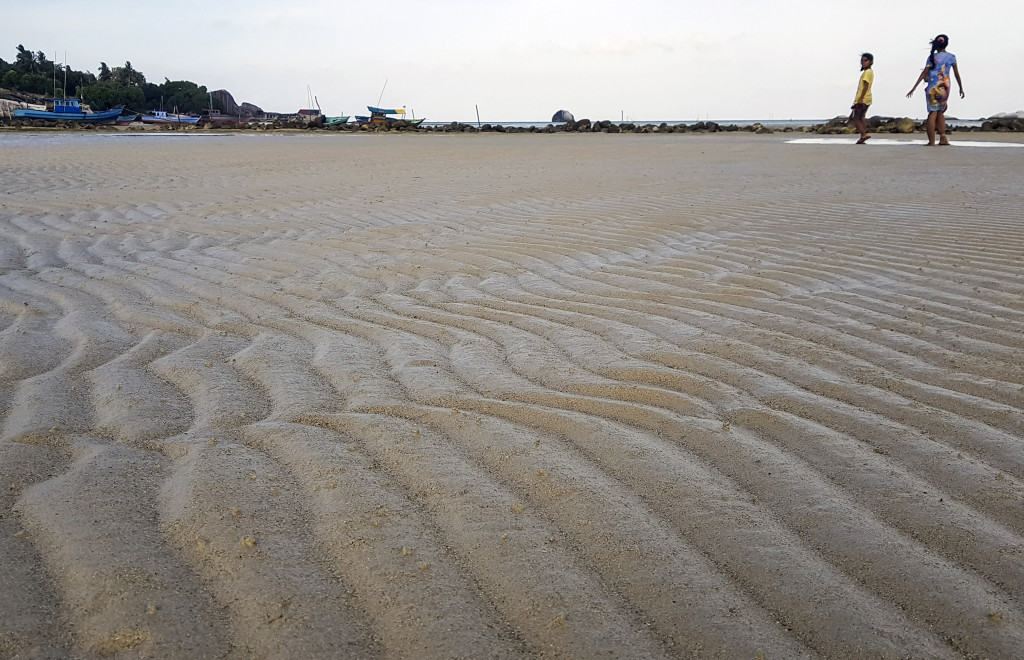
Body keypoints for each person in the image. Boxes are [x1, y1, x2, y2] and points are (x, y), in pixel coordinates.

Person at [907, 34, 964, 146]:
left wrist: (914, 87)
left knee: (932, 112)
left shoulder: (932, 57)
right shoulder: (952, 57)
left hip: (933, 87)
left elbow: (924, 73)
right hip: (945, 87)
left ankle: (931, 141)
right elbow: (956, 74)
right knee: (940, 111)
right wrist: (961, 87)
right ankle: (943, 137)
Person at [851, 53, 874, 144]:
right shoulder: (868, 72)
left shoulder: (868, 72)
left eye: (865, 61)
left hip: (863, 98)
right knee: (861, 116)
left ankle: (864, 134)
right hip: (867, 98)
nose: (863, 63)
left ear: (870, 62)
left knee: (856, 117)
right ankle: (862, 137)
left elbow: (865, 86)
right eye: (862, 61)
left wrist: (860, 99)